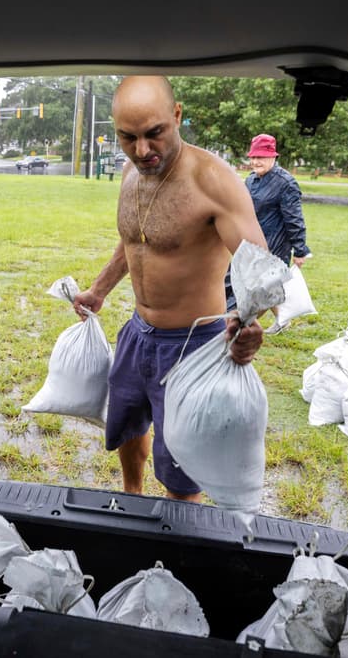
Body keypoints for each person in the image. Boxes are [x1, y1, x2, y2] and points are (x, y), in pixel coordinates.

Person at [72, 76, 269, 503]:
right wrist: (100, 290)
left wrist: (249, 324)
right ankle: (131, 495)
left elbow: (260, 266)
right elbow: (135, 240)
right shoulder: (130, 171)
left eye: (155, 133)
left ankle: (179, 535)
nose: (142, 150)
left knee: (182, 466)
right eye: (129, 137)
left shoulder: (212, 180)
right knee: (127, 424)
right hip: (138, 332)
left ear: (177, 115)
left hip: (193, 344)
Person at [226, 133, 312, 333]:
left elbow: (294, 219)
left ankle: (239, 326)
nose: (256, 161)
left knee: (259, 289)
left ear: (273, 157)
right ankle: (281, 317)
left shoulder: (286, 183)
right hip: (252, 242)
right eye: (253, 157)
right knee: (247, 283)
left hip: (274, 245)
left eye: (261, 157)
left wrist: (300, 249)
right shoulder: (251, 180)